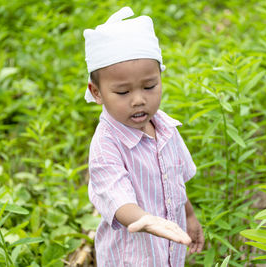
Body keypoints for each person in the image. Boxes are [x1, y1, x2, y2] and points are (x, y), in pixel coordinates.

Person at [84, 7, 204, 266]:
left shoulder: (166, 128)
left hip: (168, 250)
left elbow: (174, 181)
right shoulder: (106, 146)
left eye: (149, 86)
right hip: (132, 258)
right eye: (123, 92)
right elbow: (117, 198)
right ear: (97, 92)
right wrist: (145, 220)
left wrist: (190, 216)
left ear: (161, 77)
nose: (139, 100)